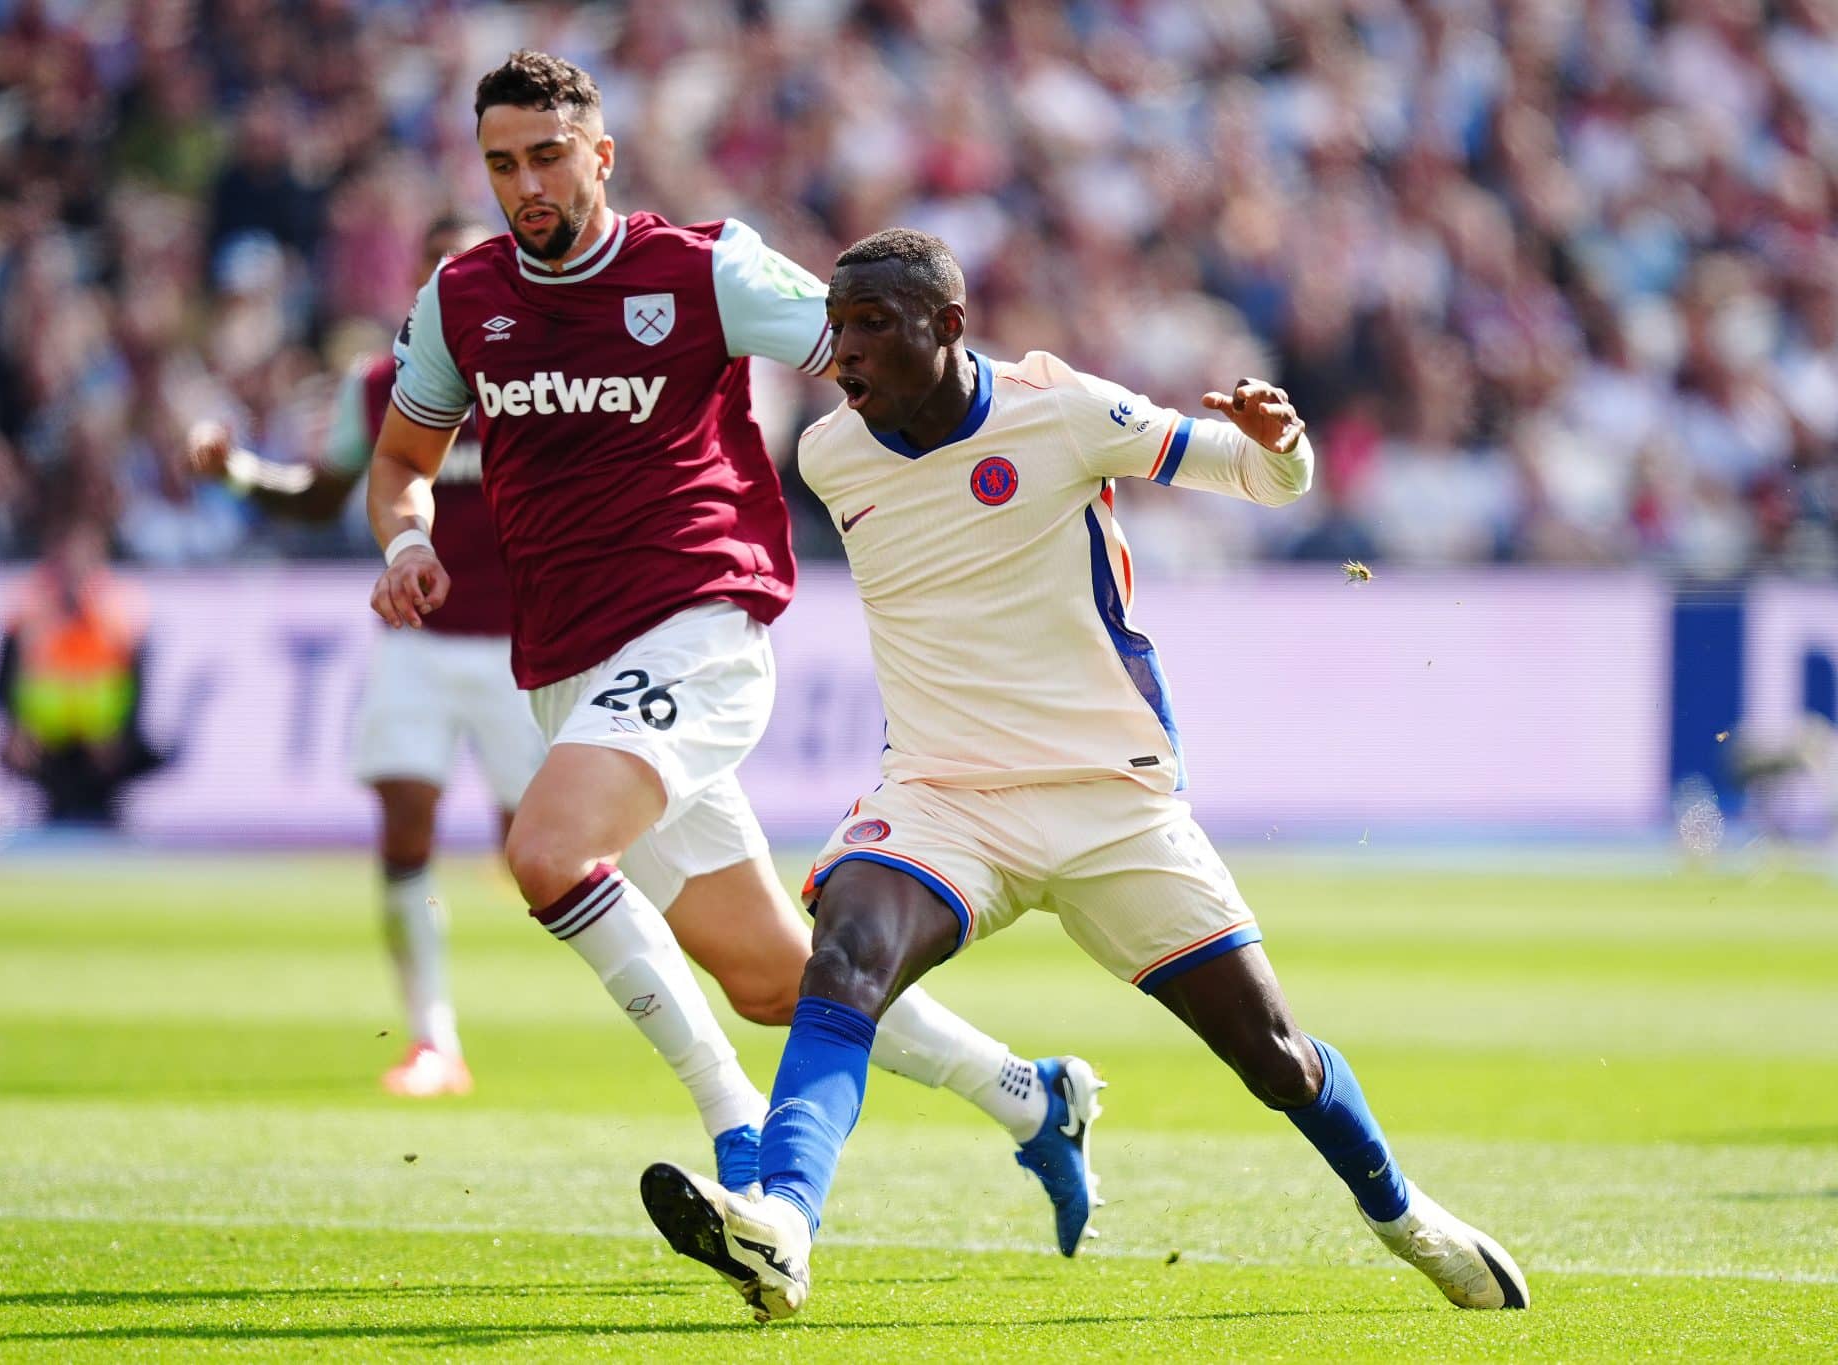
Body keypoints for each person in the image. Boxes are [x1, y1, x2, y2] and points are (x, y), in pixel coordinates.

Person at [638, 230, 1531, 1321]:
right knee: (844, 960)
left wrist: (1282, 444)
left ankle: (1407, 1221)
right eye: (840, 326)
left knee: (1273, 1060)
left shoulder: (1059, 413)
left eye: (874, 325)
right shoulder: (833, 454)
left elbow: (1256, 474)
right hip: (943, 797)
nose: (846, 351)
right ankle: (782, 1223)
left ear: (948, 327)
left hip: (1108, 801)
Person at [366, 52, 1101, 1245]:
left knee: (547, 850)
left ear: (599, 154)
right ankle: (1032, 1099)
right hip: (565, 665)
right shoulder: (462, 299)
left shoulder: (703, 268)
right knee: (773, 981)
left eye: (548, 157)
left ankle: (736, 1133)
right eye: (502, 164)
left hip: (697, 627)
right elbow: (401, 463)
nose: (526, 186)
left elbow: (885, 353)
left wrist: (1044, 436)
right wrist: (405, 543)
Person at [185, 216, 544, 1098]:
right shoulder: (381, 386)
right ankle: (433, 1039)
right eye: (437, 276)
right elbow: (323, 497)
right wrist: (241, 473)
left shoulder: (542, 382)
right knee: (404, 827)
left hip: (525, 649)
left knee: (541, 856)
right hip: (415, 644)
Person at [0, 518, 166, 825]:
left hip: (103, 730)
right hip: (46, 730)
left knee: (133, 757)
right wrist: (17, 726)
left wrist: (119, 730)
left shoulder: (118, 605)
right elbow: (5, 677)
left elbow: (135, 680)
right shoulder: (30, 603)